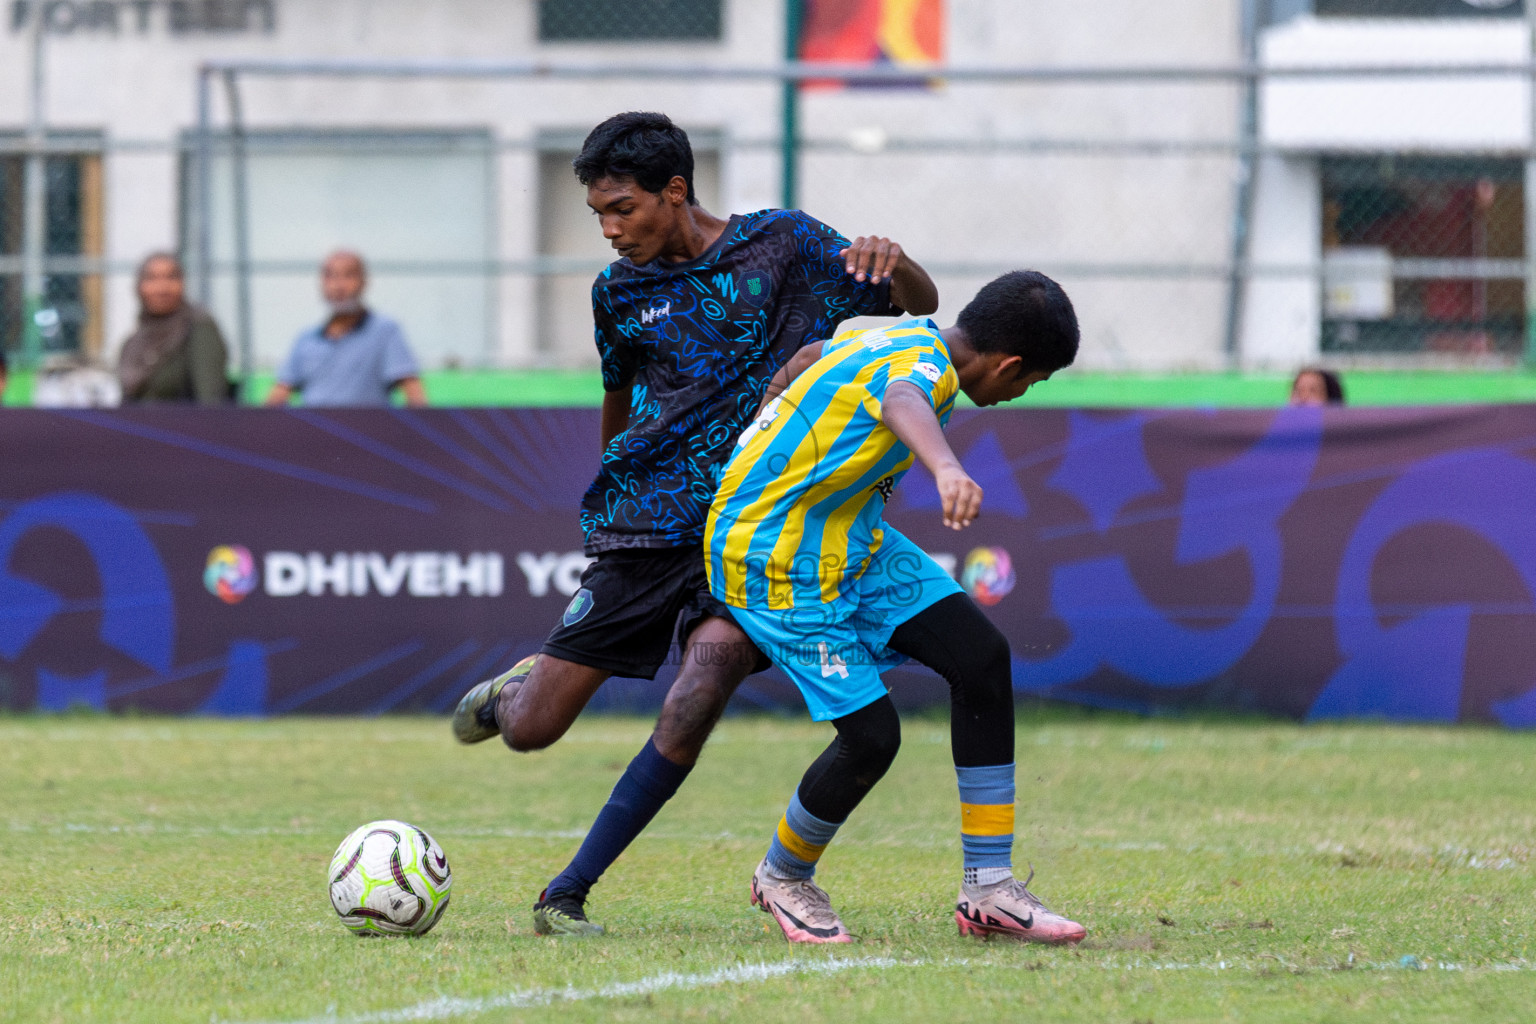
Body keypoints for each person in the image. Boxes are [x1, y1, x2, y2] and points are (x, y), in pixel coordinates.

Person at [451, 110, 938, 936]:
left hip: (752, 529)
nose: (609, 230)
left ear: (675, 191)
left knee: (697, 692)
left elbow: (918, 316)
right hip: (646, 528)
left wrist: (902, 262)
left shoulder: (786, 245)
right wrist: (611, 499)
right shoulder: (618, 292)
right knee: (532, 730)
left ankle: (564, 895)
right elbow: (618, 394)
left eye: (622, 209)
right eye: (598, 214)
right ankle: (520, 686)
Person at [705, 271, 1084, 945]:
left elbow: (817, 352)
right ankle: (783, 875)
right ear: (1010, 364)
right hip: (773, 553)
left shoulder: (898, 332)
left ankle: (989, 888)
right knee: (872, 737)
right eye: (1031, 382)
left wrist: (771, 414)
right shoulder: (923, 369)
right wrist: (944, 468)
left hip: (846, 531)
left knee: (981, 659)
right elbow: (901, 398)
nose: (1020, 394)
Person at [265, 251, 426, 407]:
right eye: (330, 276)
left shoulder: (385, 331)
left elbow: (412, 388)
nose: (338, 285)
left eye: (348, 275)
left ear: (364, 282)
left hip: (364, 433)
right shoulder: (306, 338)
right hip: (312, 432)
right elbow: (280, 391)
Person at [117, 252, 230, 405]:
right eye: (152, 279)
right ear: (139, 287)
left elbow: (210, 402)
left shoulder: (198, 328)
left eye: (171, 277)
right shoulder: (133, 343)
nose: (162, 288)